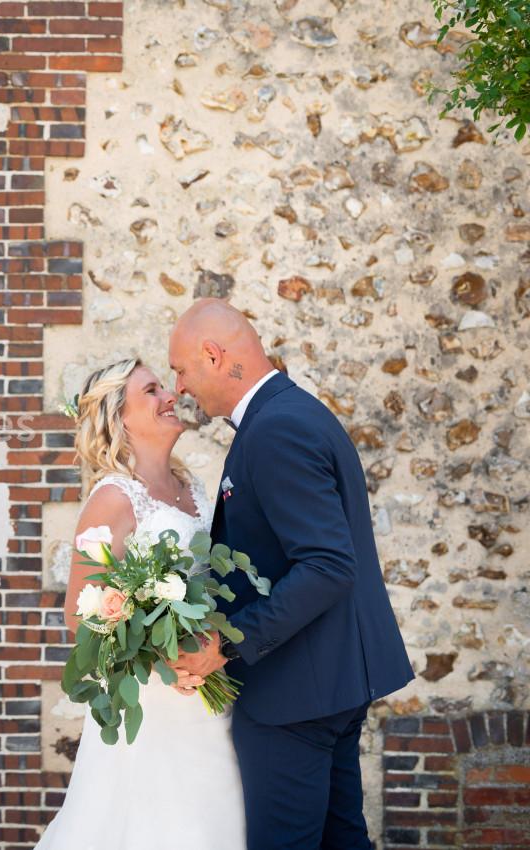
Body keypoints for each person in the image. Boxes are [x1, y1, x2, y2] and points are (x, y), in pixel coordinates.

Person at [167, 298, 414, 850]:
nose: (179, 387)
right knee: (341, 837)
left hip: (294, 694)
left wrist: (226, 646)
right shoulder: (291, 412)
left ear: (212, 355)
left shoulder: (276, 429)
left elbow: (328, 566)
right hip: (327, 683)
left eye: (181, 370)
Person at [36, 356, 246, 850]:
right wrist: (164, 650)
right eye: (151, 390)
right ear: (119, 419)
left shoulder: (192, 489)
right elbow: (80, 612)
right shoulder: (109, 501)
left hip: (209, 694)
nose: (169, 395)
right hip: (154, 702)